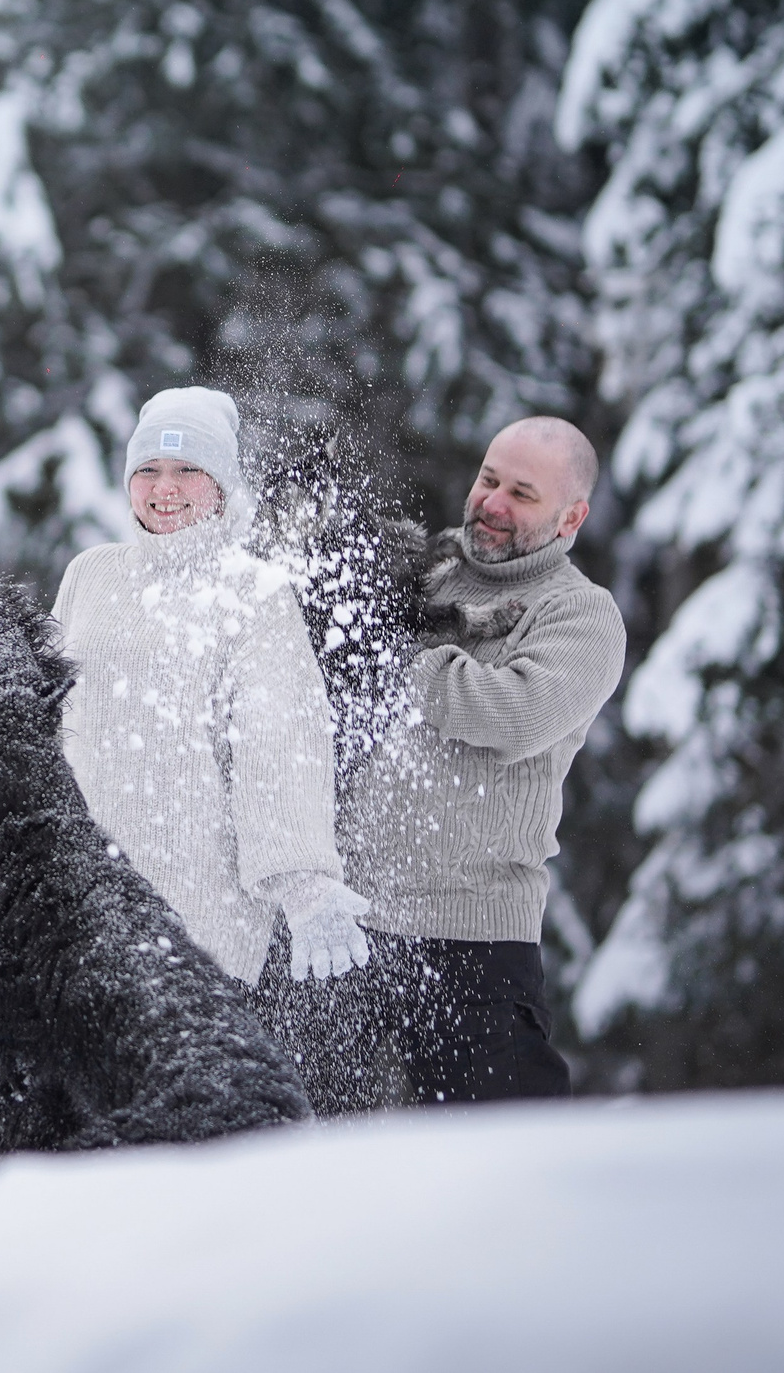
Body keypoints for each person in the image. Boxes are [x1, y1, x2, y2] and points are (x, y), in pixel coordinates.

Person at [269, 416, 626, 1109]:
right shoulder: (423, 569)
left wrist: (389, 654)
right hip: (347, 929)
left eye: (522, 494)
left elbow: (511, 713)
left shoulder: (579, 615)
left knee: (502, 1166)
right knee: (308, 1156)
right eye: (489, 480)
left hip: (472, 940)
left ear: (571, 515)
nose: (492, 503)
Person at [52, 386, 367, 993]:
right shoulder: (90, 575)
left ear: (221, 485)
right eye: (148, 470)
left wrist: (301, 883)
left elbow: (278, 744)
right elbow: (50, 725)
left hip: (199, 921)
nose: (164, 488)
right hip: (81, 909)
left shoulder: (253, 593)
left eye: (187, 470)